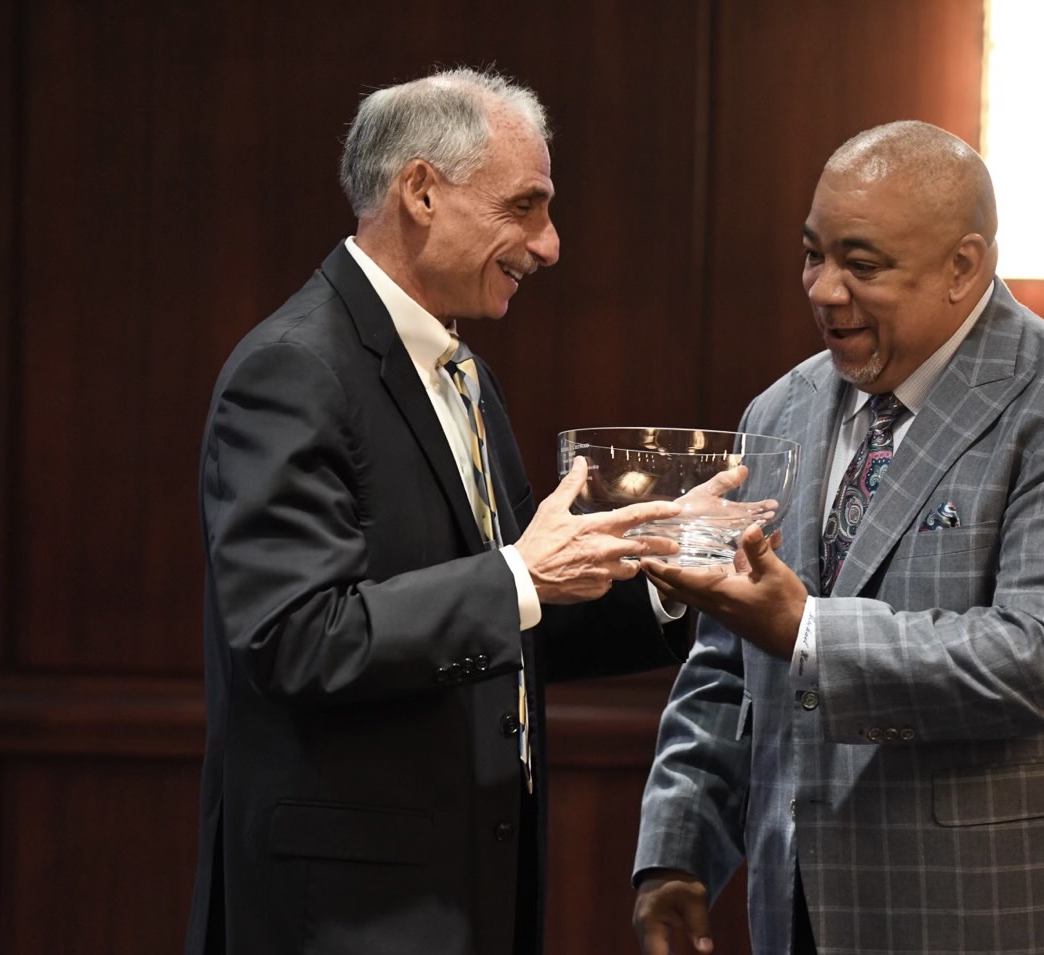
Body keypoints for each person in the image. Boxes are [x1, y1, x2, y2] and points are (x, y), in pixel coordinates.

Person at [631, 121, 1044, 954]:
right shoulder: (778, 413)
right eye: (812, 253)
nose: (824, 290)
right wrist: (676, 853)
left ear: (964, 266)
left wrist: (806, 629)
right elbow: (727, 667)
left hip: (1024, 916)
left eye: (862, 265)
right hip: (810, 914)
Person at [185, 66, 692, 955]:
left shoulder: (463, 372)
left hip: (470, 889)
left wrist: (670, 581)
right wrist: (520, 576)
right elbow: (294, 637)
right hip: (347, 915)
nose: (550, 244)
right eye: (525, 206)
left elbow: (507, 616)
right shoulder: (293, 370)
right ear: (420, 190)